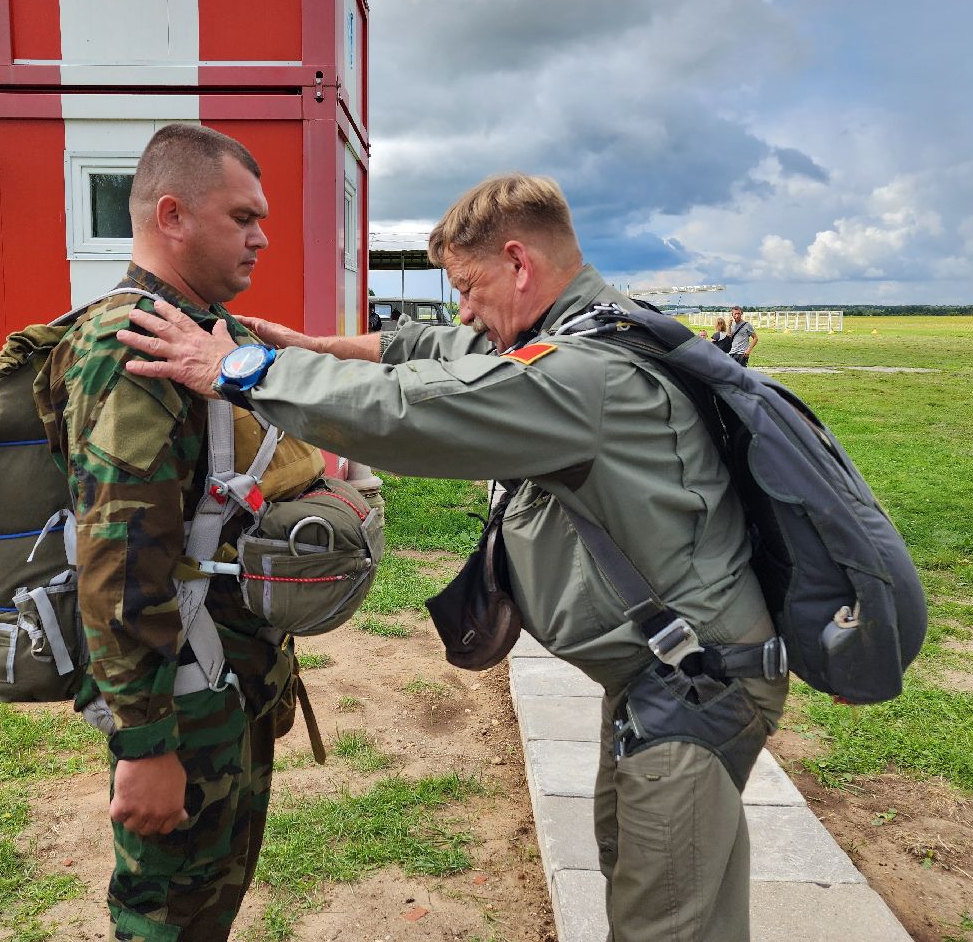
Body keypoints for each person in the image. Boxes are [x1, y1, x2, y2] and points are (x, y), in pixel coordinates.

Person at [118, 173, 790, 942]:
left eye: (469, 285)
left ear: (519, 263)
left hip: (696, 685)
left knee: (671, 921)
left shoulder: (583, 374)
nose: (464, 307)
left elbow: (418, 411)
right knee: (640, 871)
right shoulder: (599, 324)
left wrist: (241, 372)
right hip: (668, 677)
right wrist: (316, 348)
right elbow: (444, 346)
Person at [33, 123, 304, 942]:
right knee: (167, 918)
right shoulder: (134, 349)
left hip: (222, 685)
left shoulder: (202, 337)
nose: (262, 237)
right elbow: (116, 557)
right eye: (243, 217)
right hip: (181, 701)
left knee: (207, 907)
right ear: (174, 215)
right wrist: (143, 744)